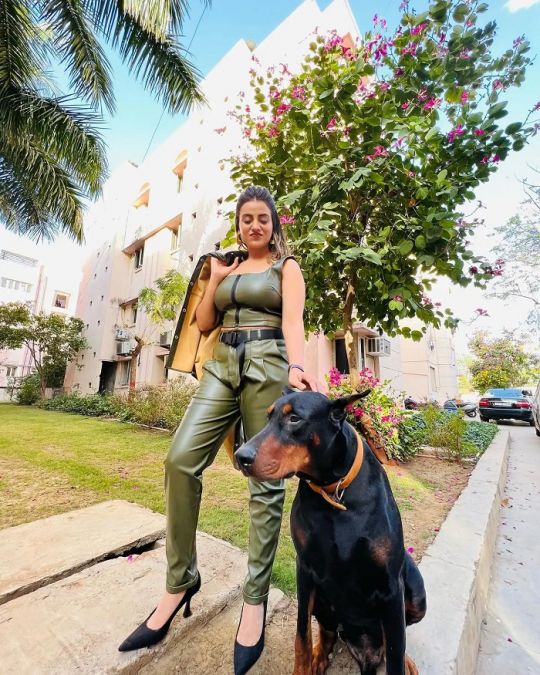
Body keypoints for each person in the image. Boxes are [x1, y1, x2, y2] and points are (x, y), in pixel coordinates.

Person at [118, 185, 326, 673]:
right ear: (238, 223)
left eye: (262, 218)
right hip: (222, 365)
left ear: (274, 224)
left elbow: (293, 322)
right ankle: (180, 581)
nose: (254, 225)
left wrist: (296, 366)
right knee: (180, 459)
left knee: (265, 482)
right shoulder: (226, 265)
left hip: (268, 365)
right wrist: (215, 278)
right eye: (246, 218)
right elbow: (206, 319)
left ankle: (254, 599)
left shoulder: (285, 269)